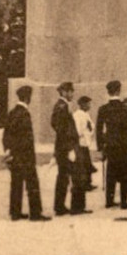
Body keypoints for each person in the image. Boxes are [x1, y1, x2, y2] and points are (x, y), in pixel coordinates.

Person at [2, 85, 50, 222]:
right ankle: (35, 213)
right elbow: (27, 139)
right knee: (32, 184)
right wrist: (29, 156)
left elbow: (6, 134)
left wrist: (8, 150)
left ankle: (15, 212)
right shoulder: (24, 114)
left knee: (16, 183)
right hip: (25, 156)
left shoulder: (12, 112)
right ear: (28, 98)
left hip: (15, 155)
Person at [96, 80, 127, 210]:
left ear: (108, 92)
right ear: (119, 91)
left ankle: (109, 200)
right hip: (124, 145)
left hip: (111, 145)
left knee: (110, 174)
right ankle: (124, 202)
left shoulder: (103, 109)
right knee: (124, 173)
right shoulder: (126, 108)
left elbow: (99, 129)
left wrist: (100, 146)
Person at [50, 82, 86, 216]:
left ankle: (59, 207)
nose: (72, 94)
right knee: (76, 176)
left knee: (63, 177)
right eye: (70, 91)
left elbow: (56, 125)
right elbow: (61, 128)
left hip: (63, 147)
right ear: (64, 92)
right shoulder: (62, 106)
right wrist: (70, 148)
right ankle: (76, 208)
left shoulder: (62, 105)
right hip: (67, 147)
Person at [73, 95, 97, 192]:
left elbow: (91, 125)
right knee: (82, 164)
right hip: (80, 142)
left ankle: (88, 182)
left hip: (86, 142)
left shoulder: (86, 114)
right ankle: (83, 184)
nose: (89, 105)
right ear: (82, 104)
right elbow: (78, 130)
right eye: (88, 104)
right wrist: (86, 129)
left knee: (87, 163)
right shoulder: (77, 115)